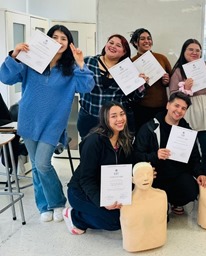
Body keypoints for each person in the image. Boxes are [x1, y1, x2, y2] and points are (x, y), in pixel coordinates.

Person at [0, 24, 95, 223]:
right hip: (28, 120)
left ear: (69, 43)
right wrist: (15, 54)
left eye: (63, 38)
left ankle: (58, 202)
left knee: (42, 164)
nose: (59, 41)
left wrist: (80, 64)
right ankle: (43, 205)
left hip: (53, 124)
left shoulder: (70, 70)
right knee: (35, 165)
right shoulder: (31, 63)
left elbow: (87, 86)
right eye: (55, 37)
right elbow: (6, 78)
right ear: (47, 40)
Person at [133, 92, 206, 215]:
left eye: (183, 108)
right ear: (168, 105)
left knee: (191, 190)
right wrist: (155, 155)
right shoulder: (149, 128)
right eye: (176, 106)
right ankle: (162, 203)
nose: (179, 111)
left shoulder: (187, 131)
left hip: (177, 174)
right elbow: (136, 155)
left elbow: (195, 157)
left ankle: (174, 202)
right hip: (155, 175)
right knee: (159, 215)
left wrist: (200, 174)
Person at [63, 101, 134, 235]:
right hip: (80, 191)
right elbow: (86, 179)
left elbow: (127, 168)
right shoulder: (94, 141)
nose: (119, 119)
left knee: (127, 215)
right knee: (114, 222)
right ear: (105, 119)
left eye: (122, 114)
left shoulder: (125, 140)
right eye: (113, 116)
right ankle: (75, 216)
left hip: (106, 188)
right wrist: (102, 202)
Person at [169, 39, 206, 176]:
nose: (194, 52)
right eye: (191, 49)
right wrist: (185, 89)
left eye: (197, 50)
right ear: (184, 52)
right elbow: (172, 96)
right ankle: (190, 181)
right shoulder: (178, 71)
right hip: (189, 115)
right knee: (187, 152)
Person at [77, 34, 148, 138]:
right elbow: (77, 85)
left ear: (124, 52)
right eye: (111, 43)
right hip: (89, 117)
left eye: (119, 45)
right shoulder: (88, 62)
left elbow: (133, 98)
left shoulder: (128, 69)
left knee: (112, 152)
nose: (113, 46)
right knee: (88, 150)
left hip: (115, 122)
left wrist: (141, 86)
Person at [130, 28, 172, 133]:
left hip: (161, 107)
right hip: (141, 108)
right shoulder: (131, 62)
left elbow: (172, 80)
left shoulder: (162, 58)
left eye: (149, 38)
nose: (147, 41)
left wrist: (167, 81)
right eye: (142, 39)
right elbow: (130, 88)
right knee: (142, 137)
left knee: (161, 136)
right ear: (136, 42)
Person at [120, 162, 167, 252]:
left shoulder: (162, 196)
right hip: (133, 245)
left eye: (149, 174)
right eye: (140, 175)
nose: (146, 178)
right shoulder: (125, 202)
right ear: (132, 179)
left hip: (159, 241)